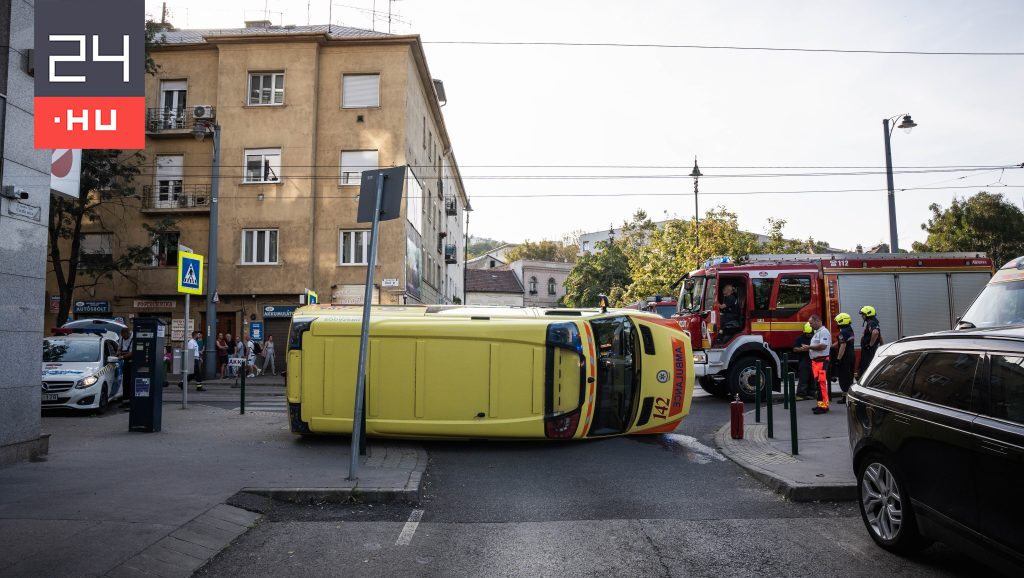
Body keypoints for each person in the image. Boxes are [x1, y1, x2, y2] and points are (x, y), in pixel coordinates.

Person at [807, 314, 832, 414]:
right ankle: (822, 404)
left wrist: (809, 347)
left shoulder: (824, 332)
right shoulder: (819, 332)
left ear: (817, 321)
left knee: (820, 384)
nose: (810, 325)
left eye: (811, 323)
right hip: (817, 362)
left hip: (821, 362)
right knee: (819, 384)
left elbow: (823, 346)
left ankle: (823, 407)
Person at [833, 312, 856, 403]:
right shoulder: (850, 330)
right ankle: (849, 396)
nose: (836, 323)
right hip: (851, 356)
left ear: (841, 321)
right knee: (849, 377)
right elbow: (842, 342)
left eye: (837, 322)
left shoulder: (843, 332)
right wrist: (832, 345)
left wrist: (838, 359)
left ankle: (845, 398)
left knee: (844, 378)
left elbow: (843, 346)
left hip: (845, 357)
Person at [857, 305, 883, 380]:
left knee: (865, 367)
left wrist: (870, 345)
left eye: (863, 314)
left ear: (868, 314)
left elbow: (875, 333)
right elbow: (879, 336)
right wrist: (882, 345)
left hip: (868, 351)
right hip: (871, 350)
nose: (862, 316)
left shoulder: (871, 323)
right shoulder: (874, 322)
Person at [791, 323, 814, 400]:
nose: (809, 335)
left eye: (810, 334)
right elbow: (794, 349)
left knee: (812, 377)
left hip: (813, 359)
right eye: (808, 334)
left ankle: (811, 393)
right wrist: (802, 349)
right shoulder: (799, 338)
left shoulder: (815, 337)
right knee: (803, 377)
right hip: (804, 359)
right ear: (804, 332)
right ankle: (800, 394)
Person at [117, 327, 134, 405]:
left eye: (124, 336)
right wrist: (118, 352)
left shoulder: (133, 338)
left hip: (132, 361)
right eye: (122, 336)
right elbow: (119, 348)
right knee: (125, 382)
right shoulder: (122, 337)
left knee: (130, 382)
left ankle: (130, 401)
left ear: (128, 333)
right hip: (125, 361)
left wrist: (122, 356)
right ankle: (125, 400)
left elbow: (132, 353)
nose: (123, 338)